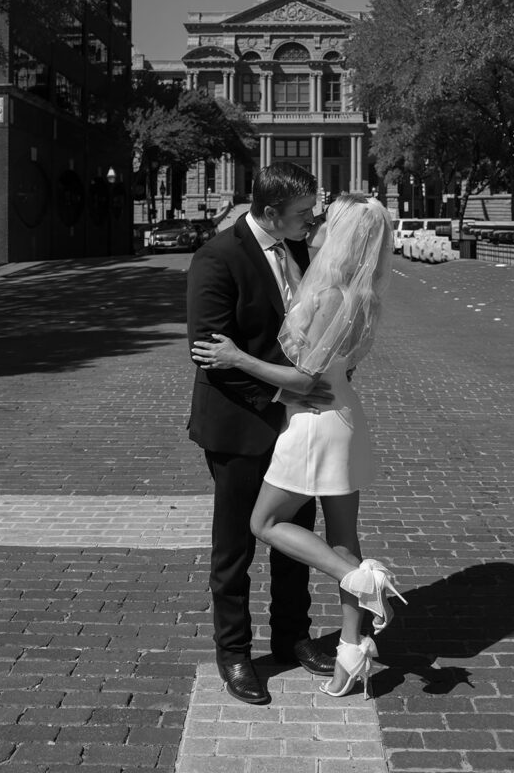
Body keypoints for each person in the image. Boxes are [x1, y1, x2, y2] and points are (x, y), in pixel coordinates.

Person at [192, 193, 406, 700]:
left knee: (264, 525)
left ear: (344, 235)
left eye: (323, 219)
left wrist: (236, 357)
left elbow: (303, 377)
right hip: (337, 415)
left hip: (312, 420)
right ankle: (349, 649)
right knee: (337, 536)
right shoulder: (364, 291)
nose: (314, 223)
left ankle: (356, 583)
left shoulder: (331, 289)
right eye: (306, 215)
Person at [186, 162, 336, 706]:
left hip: (296, 427)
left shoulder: (298, 248)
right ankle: (235, 654)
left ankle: (293, 637)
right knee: (236, 548)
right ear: (270, 212)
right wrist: (283, 393)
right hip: (239, 426)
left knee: (294, 538)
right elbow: (209, 353)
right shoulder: (217, 258)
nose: (310, 219)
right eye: (302, 213)